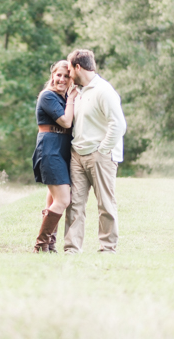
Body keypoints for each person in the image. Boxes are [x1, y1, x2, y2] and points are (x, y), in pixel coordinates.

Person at [64, 49, 126, 254]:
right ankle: (71, 249)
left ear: (78, 67)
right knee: (74, 205)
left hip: (100, 156)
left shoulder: (104, 91)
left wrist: (104, 149)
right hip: (77, 156)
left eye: (69, 68)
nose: (68, 73)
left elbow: (118, 124)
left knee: (105, 204)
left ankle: (107, 248)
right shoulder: (78, 92)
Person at [31, 60, 77, 253]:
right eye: (59, 75)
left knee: (53, 200)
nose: (62, 79)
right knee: (63, 200)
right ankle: (40, 245)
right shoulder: (48, 96)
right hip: (50, 151)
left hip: (63, 151)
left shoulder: (63, 98)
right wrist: (73, 98)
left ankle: (49, 245)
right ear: (52, 75)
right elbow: (66, 122)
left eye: (67, 76)